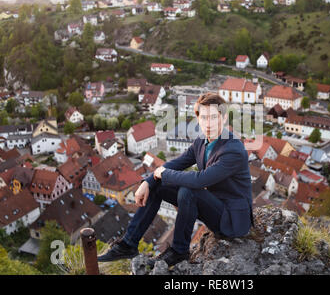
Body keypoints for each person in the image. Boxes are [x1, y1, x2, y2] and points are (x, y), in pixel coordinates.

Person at [97, 92, 253, 266]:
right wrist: (148, 181)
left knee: (189, 190)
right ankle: (128, 244)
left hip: (232, 219)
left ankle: (179, 251)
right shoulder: (202, 142)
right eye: (204, 118)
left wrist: (162, 174)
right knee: (158, 186)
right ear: (198, 119)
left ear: (224, 119)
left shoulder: (233, 150)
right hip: (214, 205)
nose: (209, 123)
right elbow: (176, 163)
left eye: (214, 117)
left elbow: (200, 180)